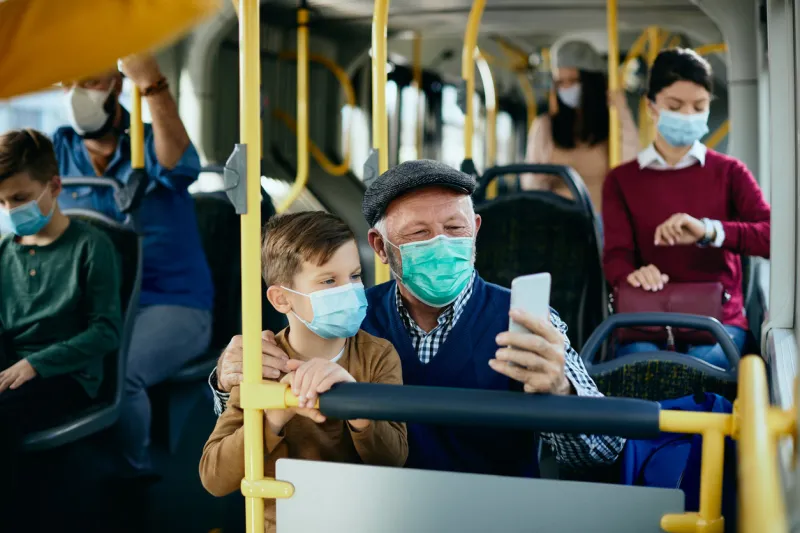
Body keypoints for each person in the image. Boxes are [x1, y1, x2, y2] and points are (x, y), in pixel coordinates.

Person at [210, 160, 625, 476]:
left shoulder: (527, 320)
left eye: (454, 228)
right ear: (380, 246)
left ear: (476, 229)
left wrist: (563, 393)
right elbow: (262, 404)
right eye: (419, 234)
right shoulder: (346, 316)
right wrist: (229, 379)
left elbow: (606, 449)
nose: (441, 245)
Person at [53, 54, 214, 477]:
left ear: (117, 85)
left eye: (87, 80)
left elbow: (180, 165)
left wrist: (153, 84)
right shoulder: (59, 149)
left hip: (172, 302)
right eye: (67, 81)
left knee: (120, 372)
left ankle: (134, 474)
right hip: (101, 304)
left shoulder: (149, 141)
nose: (76, 93)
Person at [199, 211, 407, 532]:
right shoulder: (261, 362)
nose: (350, 290)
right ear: (282, 299)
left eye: (354, 276)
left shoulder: (378, 356)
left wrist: (358, 405)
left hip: (362, 521)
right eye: (328, 281)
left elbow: (394, 459)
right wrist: (272, 419)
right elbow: (214, 477)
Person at [602, 48, 771, 368]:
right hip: (645, 318)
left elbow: (772, 235)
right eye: (675, 107)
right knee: (639, 363)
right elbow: (615, 256)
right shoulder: (621, 180)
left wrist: (710, 230)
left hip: (718, 319)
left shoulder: (730, 173)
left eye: (699, 107)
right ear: (652, 108)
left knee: (703, 365)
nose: (689, 115)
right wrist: (634, 274)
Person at [0, 129, 122, 524]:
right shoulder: (4, 252)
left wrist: (35, 364)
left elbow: (106, 331)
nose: (10, 210)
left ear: (54, 186)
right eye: (2, 202)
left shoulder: (92, 246)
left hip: (69, 375)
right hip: (11, 371)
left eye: (19, 198)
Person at [522, 39, 639, 213]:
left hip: (600, 220)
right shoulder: (544, 127)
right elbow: (531, 184)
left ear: (591, 82)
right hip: (556, 220)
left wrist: (621, 111)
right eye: (560, 82)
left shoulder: (612, 124)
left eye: (573, 80)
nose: (566, 88)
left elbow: (631, 168)